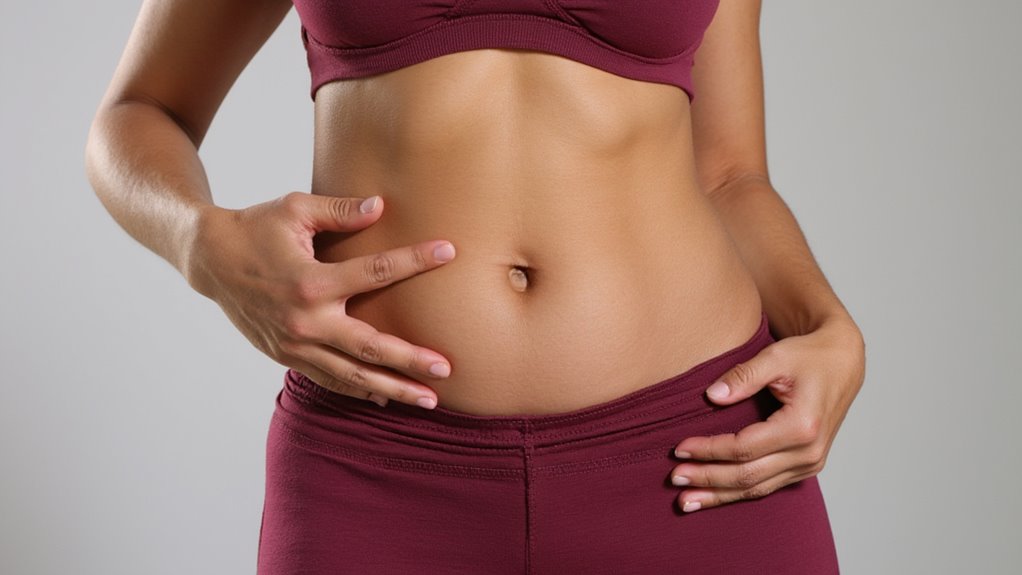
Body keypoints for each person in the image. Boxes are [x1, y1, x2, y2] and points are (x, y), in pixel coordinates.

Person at [85, 0, 865, 573]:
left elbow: (729, 173)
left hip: (696, 458)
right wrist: (201, 243)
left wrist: (827, 323)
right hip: (377, 471)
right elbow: (139, 110)